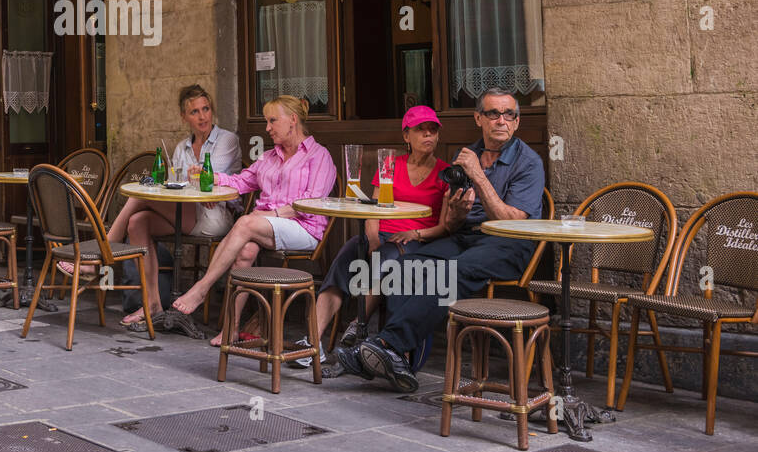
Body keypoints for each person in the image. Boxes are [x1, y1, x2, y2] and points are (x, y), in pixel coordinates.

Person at [336, 88, 545, 392]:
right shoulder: (468, 155)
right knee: (406, 265)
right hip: (467, 238)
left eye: (508, 114)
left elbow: (511, 222)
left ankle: (387, 344)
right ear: (478, 118)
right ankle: (400, 361)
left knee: (450, 272)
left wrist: (479, 176)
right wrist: (458, 213)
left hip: (508, 243)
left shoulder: (528, 162)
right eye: (493, 113)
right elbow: (452, 222)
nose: (501, 120)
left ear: (516, 122)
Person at [67, 84, 241, 329]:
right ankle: (152, 304)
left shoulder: (227, 140)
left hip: (216, 215)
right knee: (138, 222)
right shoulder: (182, 147)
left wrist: (198, 182)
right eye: (194, 112)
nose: (202, 116)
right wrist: (192, 183)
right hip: (187, 211)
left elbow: (211, 182)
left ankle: (101, 255)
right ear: (184, 117)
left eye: (206, 109)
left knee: (142, 196)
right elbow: (181, 184)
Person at [169, 95, 337, 345]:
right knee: (246, 250)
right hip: (266, 227)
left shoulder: (319, 156)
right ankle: (231, 328)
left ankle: (201, 288)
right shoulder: (269, 157)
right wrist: (211, 176)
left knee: (246, 223)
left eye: (272, 121)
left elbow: (310, 204)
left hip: (304, 229)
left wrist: (269, 215)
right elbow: (241, 181)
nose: (267, 128)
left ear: (292, 120)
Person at [292, 106, 451, 369]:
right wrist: (372, 237)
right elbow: (373, 210)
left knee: (386, 259)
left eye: (432, 130)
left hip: (418, 241)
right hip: (383, 235)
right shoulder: (391, 165)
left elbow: (445, 226)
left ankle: (359, 326)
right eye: (420, 130)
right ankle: (313, 342)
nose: (428, 135)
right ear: (406, 136)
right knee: (347, 257)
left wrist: (416, 233)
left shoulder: (445, 173)